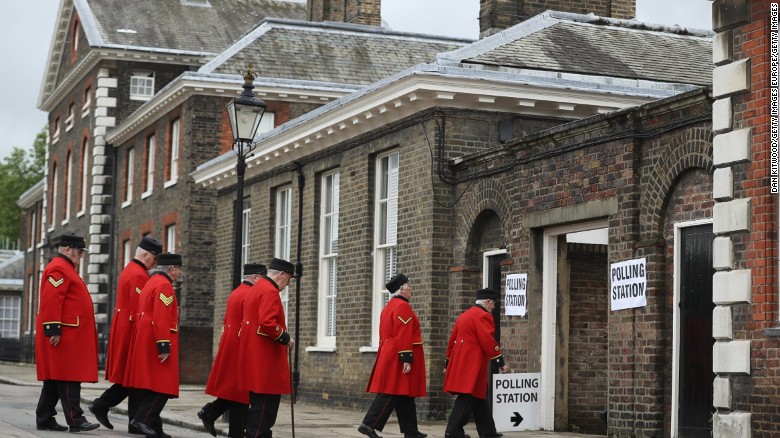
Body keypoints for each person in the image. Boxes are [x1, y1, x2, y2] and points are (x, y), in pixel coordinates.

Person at [89, 236, 163, 432]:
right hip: (131, 330)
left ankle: (109, 409)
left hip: (124, 326)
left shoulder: (132, 270)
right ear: (145, 254)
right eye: (154, 257)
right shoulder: (139, 275)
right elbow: (141, 307)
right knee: (133, 377)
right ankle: (105, 407)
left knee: (130, 379)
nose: (155, 262)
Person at [34, 233, 100, 432]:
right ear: (68, 249)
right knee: (69, 377)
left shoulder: (66, 268)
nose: (81, 256)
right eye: (79, 252)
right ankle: (76, 420)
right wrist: (54, 328)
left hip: (70, 333)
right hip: (65, 334)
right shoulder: (59, 268)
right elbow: (53, 299)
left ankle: (45, 418)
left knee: (55, 379)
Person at [198, 263, 267, 438]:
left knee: (235, 391)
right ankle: (233, 430)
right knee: (241, 393)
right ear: (256, 277)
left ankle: (211, 413)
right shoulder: (250, 294)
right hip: (240, 346)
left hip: (231, 344)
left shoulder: (236, 292)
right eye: (262, 278)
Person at [358, 273, 427, 438]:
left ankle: (411, 431)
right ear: (402, 289)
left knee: (404, 392)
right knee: (392, 391)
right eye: (408, 286)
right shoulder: (403, 307)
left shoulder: (390, 306)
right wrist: (406, 358)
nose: (411, 288)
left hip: (390, 353)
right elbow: (403, 334)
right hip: (398, 355)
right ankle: (369, 424)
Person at [123, 252, 184, 438]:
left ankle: (154, 426)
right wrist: (164, 345)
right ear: (172, 269)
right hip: (158, 340)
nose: (179, 273)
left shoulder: (151, 282)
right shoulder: (165, 286)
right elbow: (161, 316)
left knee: (151, 384)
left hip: (147, 339)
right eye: (178, 269)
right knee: (163, 386)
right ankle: (142, 420)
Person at [238, 257, 296, 438]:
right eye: (288, 279)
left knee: (257, 406)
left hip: (254, 355)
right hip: (266, 358)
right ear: (281, 275)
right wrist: (286, 338)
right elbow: (267, 323)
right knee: (265, 409)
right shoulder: (270, 291)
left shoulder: (256, 288)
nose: (287, 284)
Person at [443, 288, 508, 438]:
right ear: (487, 302)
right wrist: (499, 360)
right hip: (473, 364)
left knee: (479, 396)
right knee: (468, 396)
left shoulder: (464, 315)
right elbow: (487, 340)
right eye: (493, 304)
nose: (494, 307)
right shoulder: (484, 316)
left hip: (461, 361)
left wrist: (448, 362)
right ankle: (452, 431)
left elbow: (452, 340)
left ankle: (487, 431)